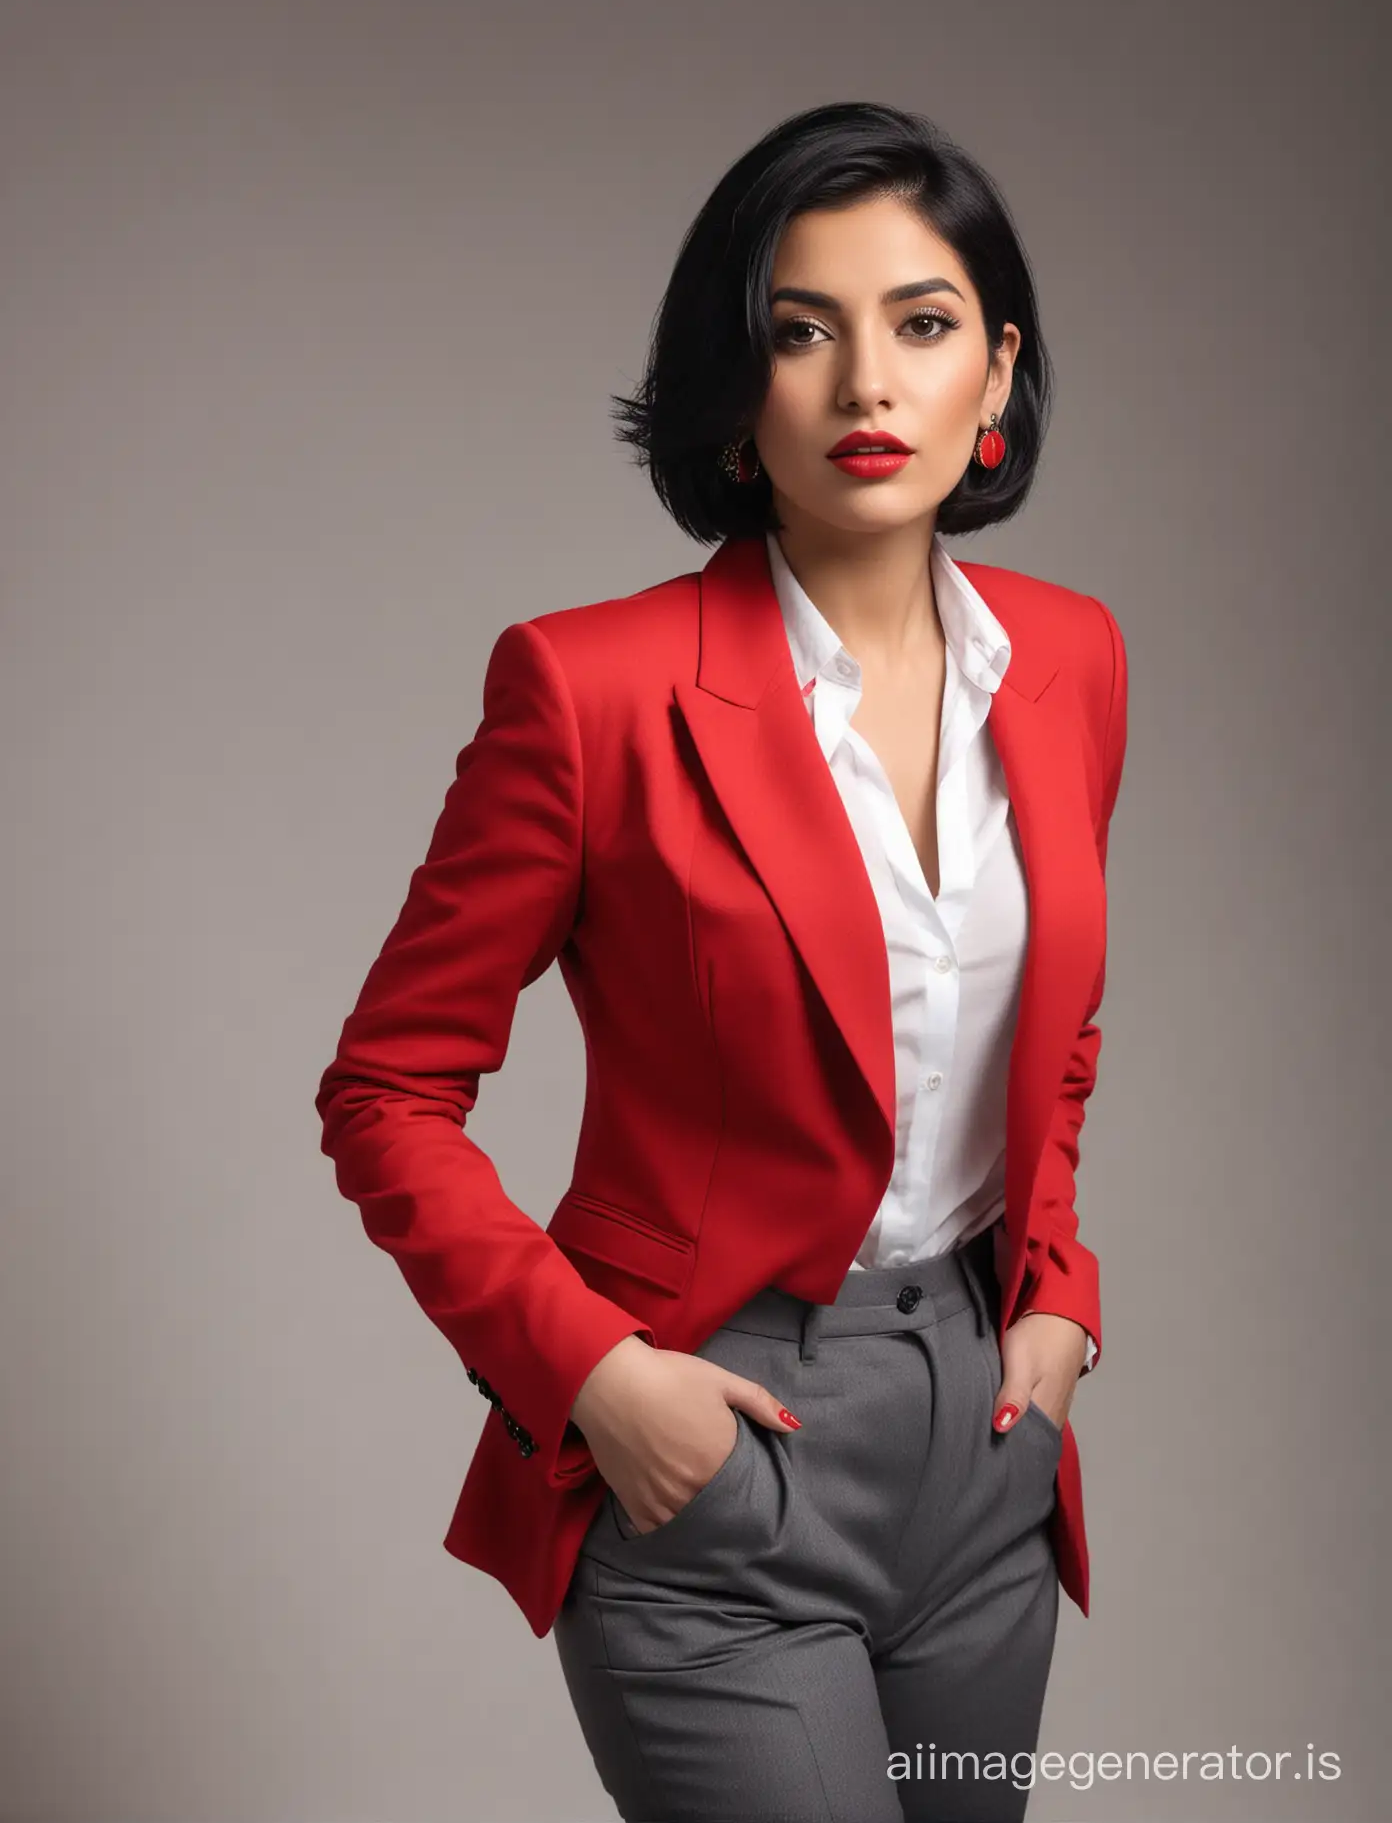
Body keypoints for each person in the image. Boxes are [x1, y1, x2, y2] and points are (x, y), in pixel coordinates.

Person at [315, 99, 1129, 1823]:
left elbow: (1044, 1031)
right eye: (799, 332)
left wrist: (1058, 1293)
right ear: (734, 389)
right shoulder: (589, 692)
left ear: (996, 377)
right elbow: (388, 1091)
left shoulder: (1068, 664)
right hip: (721, 1450)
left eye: (921, 327)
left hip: (987, 1453)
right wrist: (594, 1380)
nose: (865, 387)